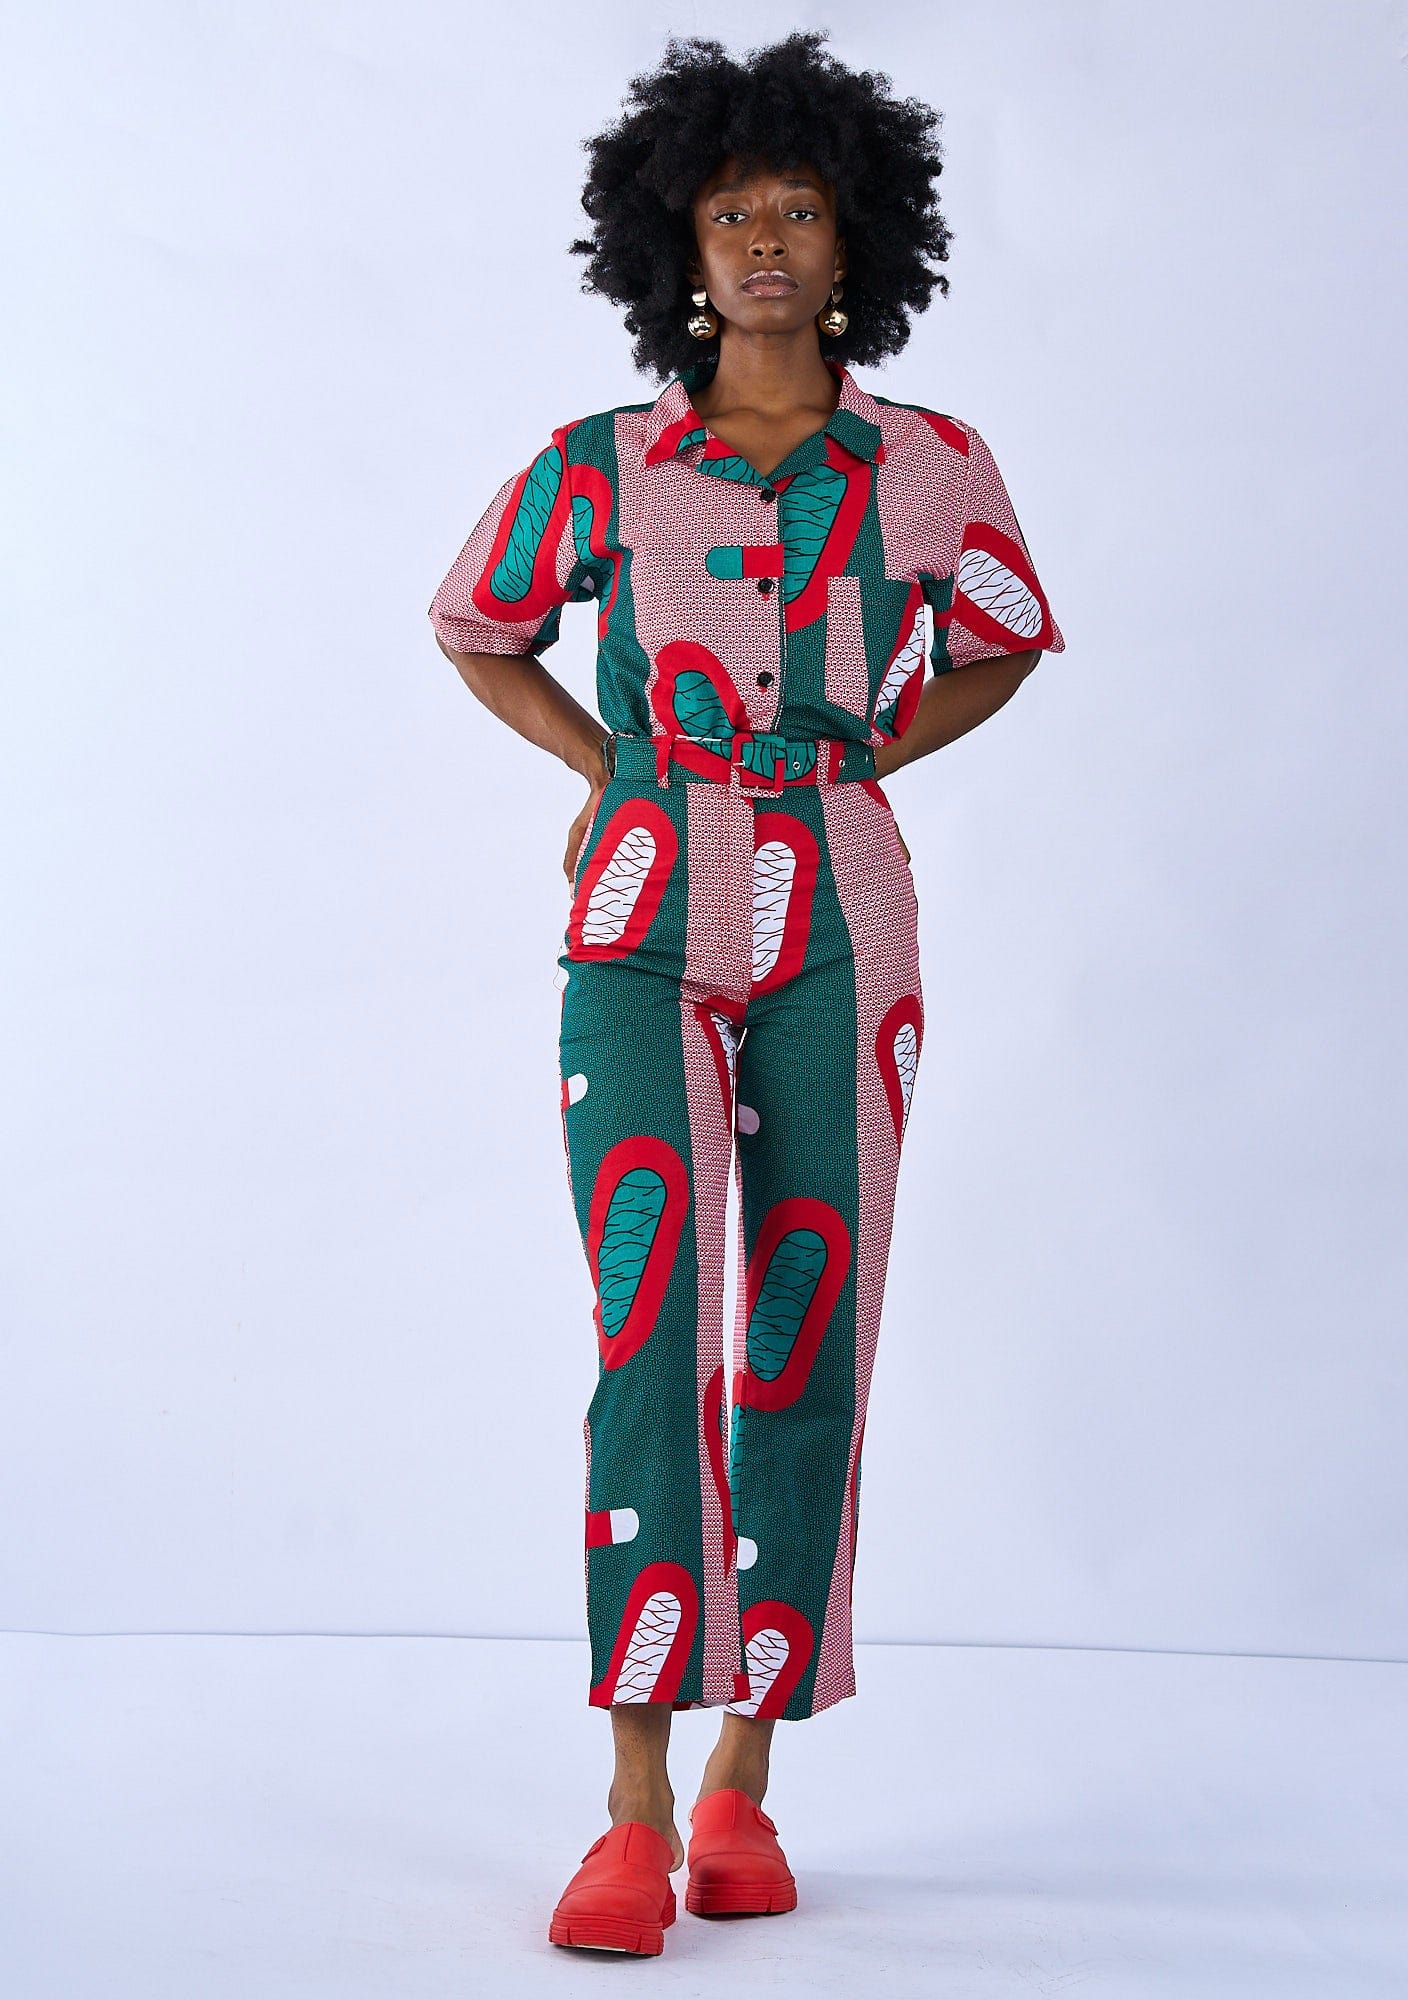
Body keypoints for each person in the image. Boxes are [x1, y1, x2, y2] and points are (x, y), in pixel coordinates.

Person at [427, 28, 1065, 1958]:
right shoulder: (603, 465)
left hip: (843, 916)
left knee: (809, 1319)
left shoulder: (933, 468)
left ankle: (742, 1782)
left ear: (857, 236)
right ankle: (629, 1801)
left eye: (798, 208)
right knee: (651, 1323)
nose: (767, 240)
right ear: (679, 250)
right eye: (732, 213)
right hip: (639, 910)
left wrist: (864, 757)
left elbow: (1009, 635)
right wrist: (602, 768)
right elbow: (476, 622)